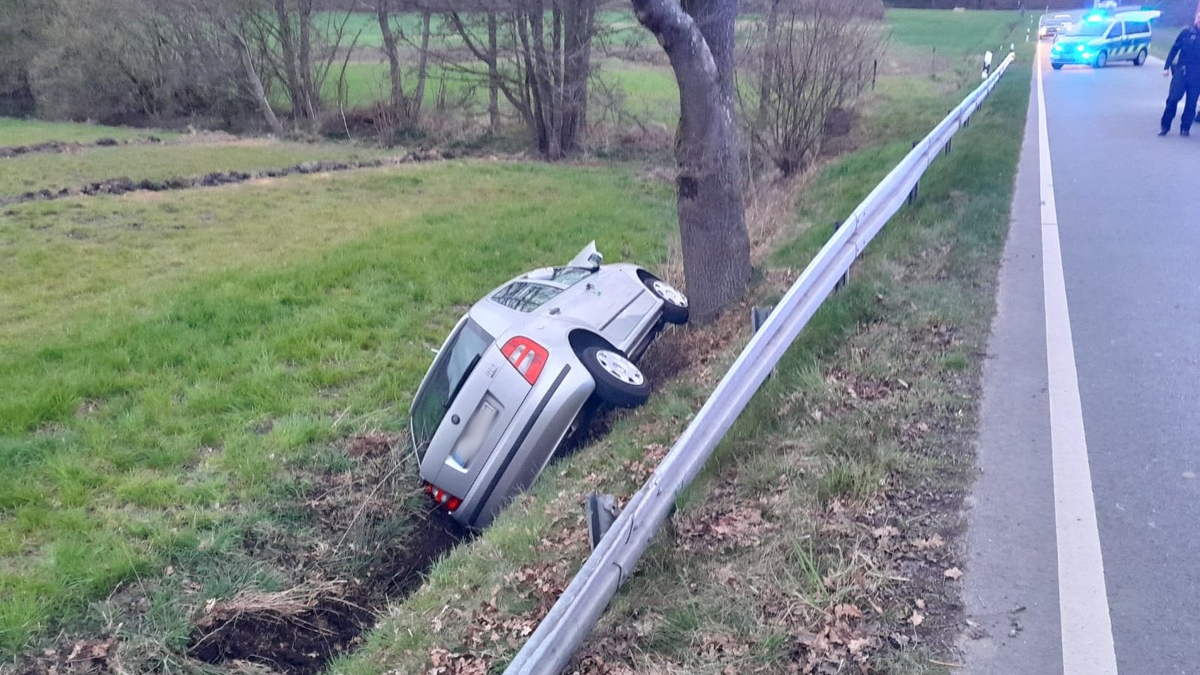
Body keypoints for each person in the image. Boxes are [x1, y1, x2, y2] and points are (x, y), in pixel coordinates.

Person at [1159, 15, 1200, 137]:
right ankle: (1165, 126)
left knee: (1191, 104)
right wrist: (1166, 67)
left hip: (1197, 76)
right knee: (1172, 99)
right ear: (1196, 21)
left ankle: (1185, 128)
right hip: (1182, 72)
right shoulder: (1186, 33)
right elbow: (1174, 49)